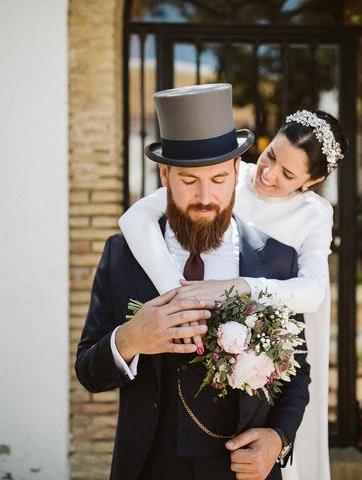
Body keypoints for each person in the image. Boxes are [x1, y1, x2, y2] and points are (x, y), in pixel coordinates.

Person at [75, 83, 310, 480]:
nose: (205, 196)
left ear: (237, 172)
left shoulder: (276, 257)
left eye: (219, 179)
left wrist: (277, 438)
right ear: (164, 174)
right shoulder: (122, 254)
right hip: (150, 465)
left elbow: (297, 372)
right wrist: (130, 340)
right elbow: (88, 370)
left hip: (243, 467)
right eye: (189, 181)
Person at [119, 107, 347, 480]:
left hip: (276, 331)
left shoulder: (315, 214)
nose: (269, 174)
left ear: (314, 180)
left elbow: (313, 291)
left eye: (288, 174)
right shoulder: (226, 177)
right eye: (271, 155)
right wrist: (179, 295)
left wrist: (239, 288)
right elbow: (135, 218)